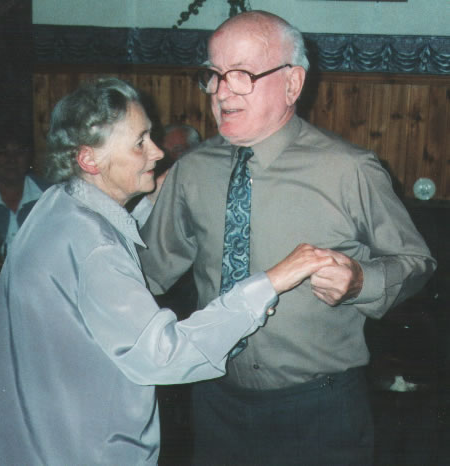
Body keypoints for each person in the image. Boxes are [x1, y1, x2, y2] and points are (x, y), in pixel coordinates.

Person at [138, 11, 437, 466]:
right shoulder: (191, 171)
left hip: (319, 412)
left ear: (293, 84)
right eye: (214, 75)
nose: (222, 91)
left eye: (242, 74)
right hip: (214, 402)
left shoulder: (348, 170)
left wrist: (360, 281)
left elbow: (417, 261)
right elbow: (148, 271)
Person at [0, 77, 336, 466]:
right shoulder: (95, 246)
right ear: (89, 159)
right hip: (88, 447)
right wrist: (269, 283)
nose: (156, 152)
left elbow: (105, 232)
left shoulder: (56, 204)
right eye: (139, 143)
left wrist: (151, 196)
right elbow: (164, 355)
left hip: (41, 434)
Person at [0, 128, 50, 255]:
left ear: (29, 158)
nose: (11, 159)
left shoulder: (50, 196)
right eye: (3, 152)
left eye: (19, 152)